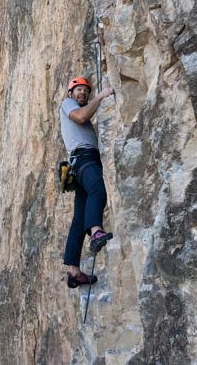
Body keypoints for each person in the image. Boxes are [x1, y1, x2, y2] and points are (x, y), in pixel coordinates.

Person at [59, 77, 115, 288]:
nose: (82, 93)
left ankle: (73, 270)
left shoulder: (75, 104)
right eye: (78, 89)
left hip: (79, 162)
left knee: (79, 218)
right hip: (84, 158)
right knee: (98, 191)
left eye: (86, 91)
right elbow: (81, 117)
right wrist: (101, 96)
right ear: (71, 93)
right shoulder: (68, 104)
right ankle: (96, 232)